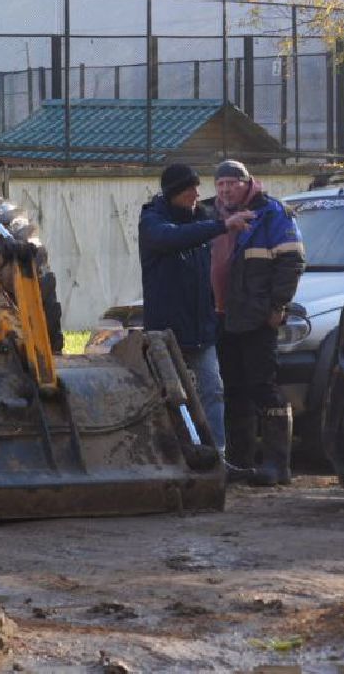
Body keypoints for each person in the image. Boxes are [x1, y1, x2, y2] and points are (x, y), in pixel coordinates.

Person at [139, 163, 253, 472]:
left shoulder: (200, 218)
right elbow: (173, 238)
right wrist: (224, 225)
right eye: (191, 189)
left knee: (212, 389)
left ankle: (217, 458)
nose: (196, 194)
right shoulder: (152, 221)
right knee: (169, 397)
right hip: (166, 332)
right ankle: (169, 456)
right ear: (176, 192)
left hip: (201, 327)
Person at [211, 159, 306, 487]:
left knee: (263, 387)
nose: (225, 190)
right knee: (234, 389)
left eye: (231, 183)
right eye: (220, 184)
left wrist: (278, 305)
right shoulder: (214, 215)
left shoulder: (273, 214)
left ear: (246, 182)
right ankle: (240, 462)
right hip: (222, 318)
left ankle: (278, 464)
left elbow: (292, 261)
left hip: (256, 316)